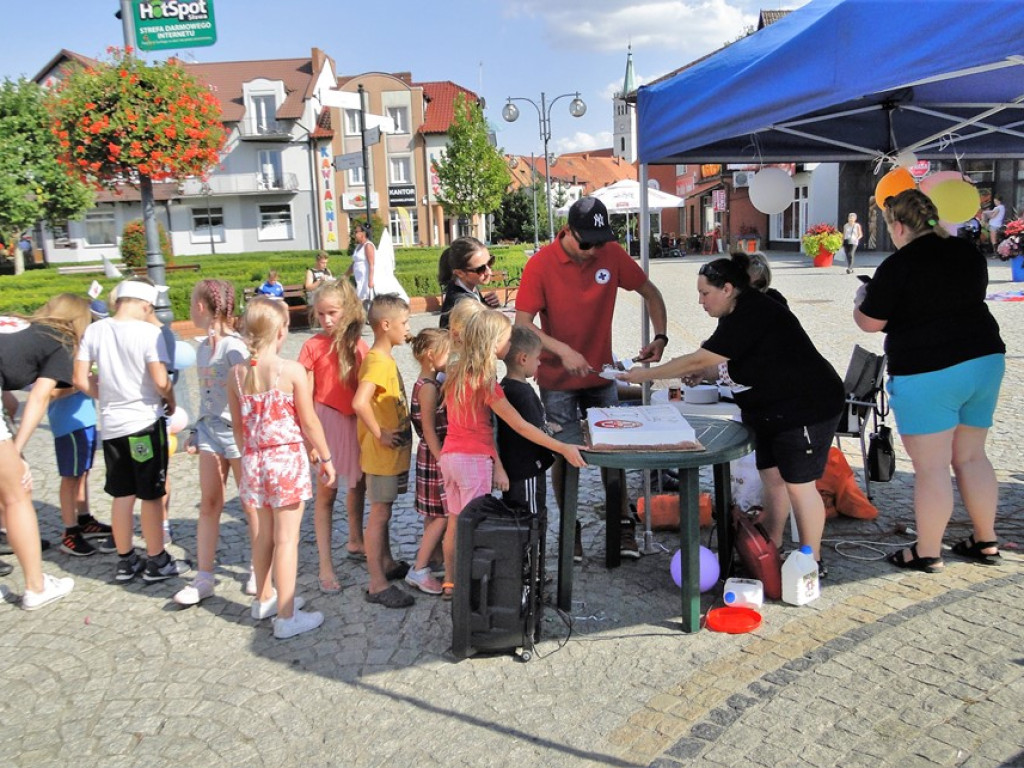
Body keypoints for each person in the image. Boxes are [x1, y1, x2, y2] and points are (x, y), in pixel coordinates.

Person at [620, 253, 844, 576]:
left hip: (807, 407)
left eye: (704, 293)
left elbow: (698, 360)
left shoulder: (753, 311)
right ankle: (772, 544)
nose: (700, 301)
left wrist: (643, 374)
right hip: (770, 411)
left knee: (799, 484)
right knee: (772, 477)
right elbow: (723, 361)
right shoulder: (736, 312)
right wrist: (706, 373)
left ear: (727, 289)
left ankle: (812, 560)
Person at [854, 188, 1006, 573]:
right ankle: (986, 541)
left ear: (900, 226)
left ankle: (927, 551)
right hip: (984, 359)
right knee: (972, 456)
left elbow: (870, 323)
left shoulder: (899, 264)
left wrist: (862, 298)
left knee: (933, 468)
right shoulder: (968, 253)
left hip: (929, 371)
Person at [514, 196, 668, 561]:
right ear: (568, 231)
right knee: (565, 457)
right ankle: (571, 528)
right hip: (556, 381)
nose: (593, 249)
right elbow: (522, 326)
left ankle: (623, 523)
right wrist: (562, 350)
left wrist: (660, 337)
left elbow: (651, 292)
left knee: (614, 452)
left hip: (601, 377)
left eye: (599, 241)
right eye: (587, 242)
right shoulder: (540, 265)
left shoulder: (610, 254)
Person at [439, 310, 585, 600]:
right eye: (507, 338)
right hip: (473, 463)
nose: (510, 343)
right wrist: (562, 447)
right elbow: (520, 425)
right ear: (495, 344)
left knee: (456, 523)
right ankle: (474, 592)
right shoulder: (486, 383)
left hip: (450, 458)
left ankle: (451, 582)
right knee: (477, 528)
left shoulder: (456, 373)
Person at [227, 297, 335, 639]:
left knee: (263, 534)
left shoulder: (236, 373)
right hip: (285, 459)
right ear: (280, 331)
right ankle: (287, 616)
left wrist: (249, 455)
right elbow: (310, 422)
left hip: (254, 459)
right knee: (287, 539)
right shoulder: (291, 371)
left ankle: (264, 597)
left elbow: (238, 427)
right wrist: (326, 457)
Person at [74, 278, 191, 585]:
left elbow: (80, 378)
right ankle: (157, 559)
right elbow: (160, 380)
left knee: (121, 493)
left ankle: (125, 561)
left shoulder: (94, 330)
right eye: (149, 307)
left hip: (112, 425)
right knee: (151, 494)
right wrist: (171, 400)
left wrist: (107, 396)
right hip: (143, 422)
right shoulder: (148, 332)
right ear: (143, 304)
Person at [0, 296, 89, 609]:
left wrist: (9, 423)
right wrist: (17, 449)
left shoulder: (20, 326)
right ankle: (36, 587)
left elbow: (9, 402)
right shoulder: (59, 340)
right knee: (16, 494)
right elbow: (39, 398)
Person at [173, 280, 257, 606]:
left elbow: (246, 394)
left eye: (192, 302)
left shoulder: (233, 348)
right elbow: (206, 396)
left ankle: (257, 568)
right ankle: (204, 576)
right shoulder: (203, 347)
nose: (189, 308)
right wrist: (196, 430)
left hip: (236, 433)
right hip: (209, 431)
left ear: (202, 307)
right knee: (210, 502)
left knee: (251, 505)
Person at [298, 280, 368, 595]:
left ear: (347, 311)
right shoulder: (312, 346)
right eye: (322, 314)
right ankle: (325, 564)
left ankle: (356, 540)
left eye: (333, 313)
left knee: (357, 484)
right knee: (326, 494)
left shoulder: (358, 347)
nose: (327, 320)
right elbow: (304, 396)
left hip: (352, 423)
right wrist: (310, 443)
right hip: (324, 422)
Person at [351, 294, 415, 609]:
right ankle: (376, 583)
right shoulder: (377, 361)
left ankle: (387, 564)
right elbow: (360, 402)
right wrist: (380, 433)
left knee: (384, 510)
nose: (408, 328)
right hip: (381, 455)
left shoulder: (384, 358)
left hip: (389, 455)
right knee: (379, 514)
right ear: (385, 325)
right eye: (404, 322)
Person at [44, 296, 114, 558]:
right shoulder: (58, 349)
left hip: (84, 418)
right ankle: (70, 532)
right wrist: (83, 382)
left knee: (83, 472)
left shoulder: (75, 346)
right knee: (70, 477)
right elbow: (49, 392)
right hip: (68, 422)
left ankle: (84, 519)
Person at [404, 327, 451, 596]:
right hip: (435, 456)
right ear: (432, 356)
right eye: (447, 353)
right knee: (443, 515)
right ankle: (419, 569)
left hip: (430, 454)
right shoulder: (429, 388)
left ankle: (431, 560)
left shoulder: (427, 383)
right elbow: (431, 430)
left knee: (434, 514)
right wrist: (442, 459)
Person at [437, 236, 501, 329]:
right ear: (460, 273)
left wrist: (486, 305)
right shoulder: (460, 303)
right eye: (481, 269)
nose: (489, 272)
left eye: (490, 262)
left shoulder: (469, 286)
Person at [347, 225, 376, 303]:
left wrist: (370, 280)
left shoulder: (368, 245)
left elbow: (371, 264)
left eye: (356, 232)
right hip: (359, 278)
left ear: (363, 233)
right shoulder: (358, 246)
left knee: (365, 299)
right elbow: (354, 264)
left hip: (365, 278)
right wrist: (346, 275)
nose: (354, 234)